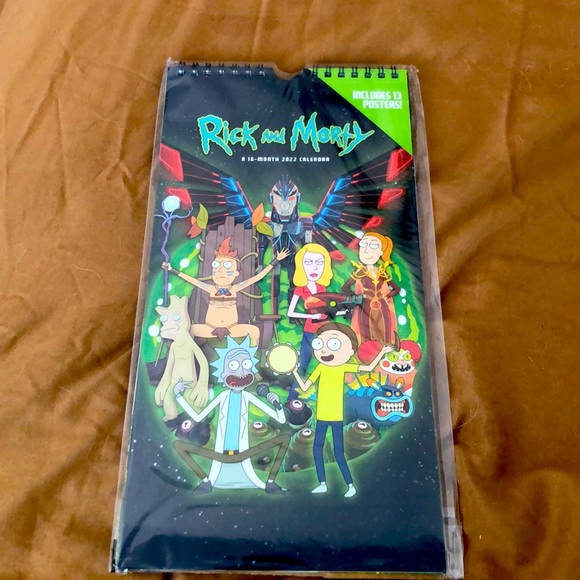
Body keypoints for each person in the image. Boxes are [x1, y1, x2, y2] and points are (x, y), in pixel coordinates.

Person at [173, 337, 289, 494]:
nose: (241, 372)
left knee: (284, 439)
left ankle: (270, 483)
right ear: (223, 372)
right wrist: (178, 396)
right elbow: (198, 417)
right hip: (220, 456)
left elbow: (281, 419)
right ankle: (206, 481)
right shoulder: (223, 396)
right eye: (233, 366)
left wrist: (277, 404)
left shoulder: (248, 397)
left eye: (246, 365)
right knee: (178, 445)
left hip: (243, 455)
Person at [291, 322, 392, 497]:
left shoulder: (343, 367)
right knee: (317, 449)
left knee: (338, 452)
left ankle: (350, 485)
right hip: (321, 416)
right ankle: (322, 483)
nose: (324, 350)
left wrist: (382, 353)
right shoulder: (321, 367)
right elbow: (306, 385)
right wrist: (294, 371)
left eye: (333, 344)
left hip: (336, 416)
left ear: (350, 351)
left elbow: (367, 368)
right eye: (319, 344)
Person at [163, 236, 289, 346]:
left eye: (227, 267)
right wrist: (171, 269)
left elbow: (258, 277)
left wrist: (276, 260)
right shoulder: (210, 289)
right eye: (216, 267)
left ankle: (251, 357)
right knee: (190, 330)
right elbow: (192, 280)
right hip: (209, 328)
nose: (221, 271)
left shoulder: (235, 288)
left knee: (254, 331)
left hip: (232, 328)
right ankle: (189, 354)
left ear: (236, 273)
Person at [286, 243, 333, 400]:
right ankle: (292, 398)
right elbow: (291, 312)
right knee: (304, 363)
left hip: (325, 330)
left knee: (327, 362)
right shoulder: (301, 289)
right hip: (310, 330)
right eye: (308, 262)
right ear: (301, 265)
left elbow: (327, 308)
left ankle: (323, 397)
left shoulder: (322, 288)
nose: (314, 267)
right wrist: (311, 317)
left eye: (319, 262)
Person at [342, 232, 400, 344]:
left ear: (381, 252)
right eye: (363, 244)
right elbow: (345, 287)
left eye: (373, 246)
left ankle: (385, 349)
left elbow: (396, 289)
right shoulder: (361, 271)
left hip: (382, 306)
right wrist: (358, 297)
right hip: (365, 306)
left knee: (383, 330)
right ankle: (367, 351)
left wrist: (386, 297)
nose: (366, 250)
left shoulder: (381, 272)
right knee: (366, 332)